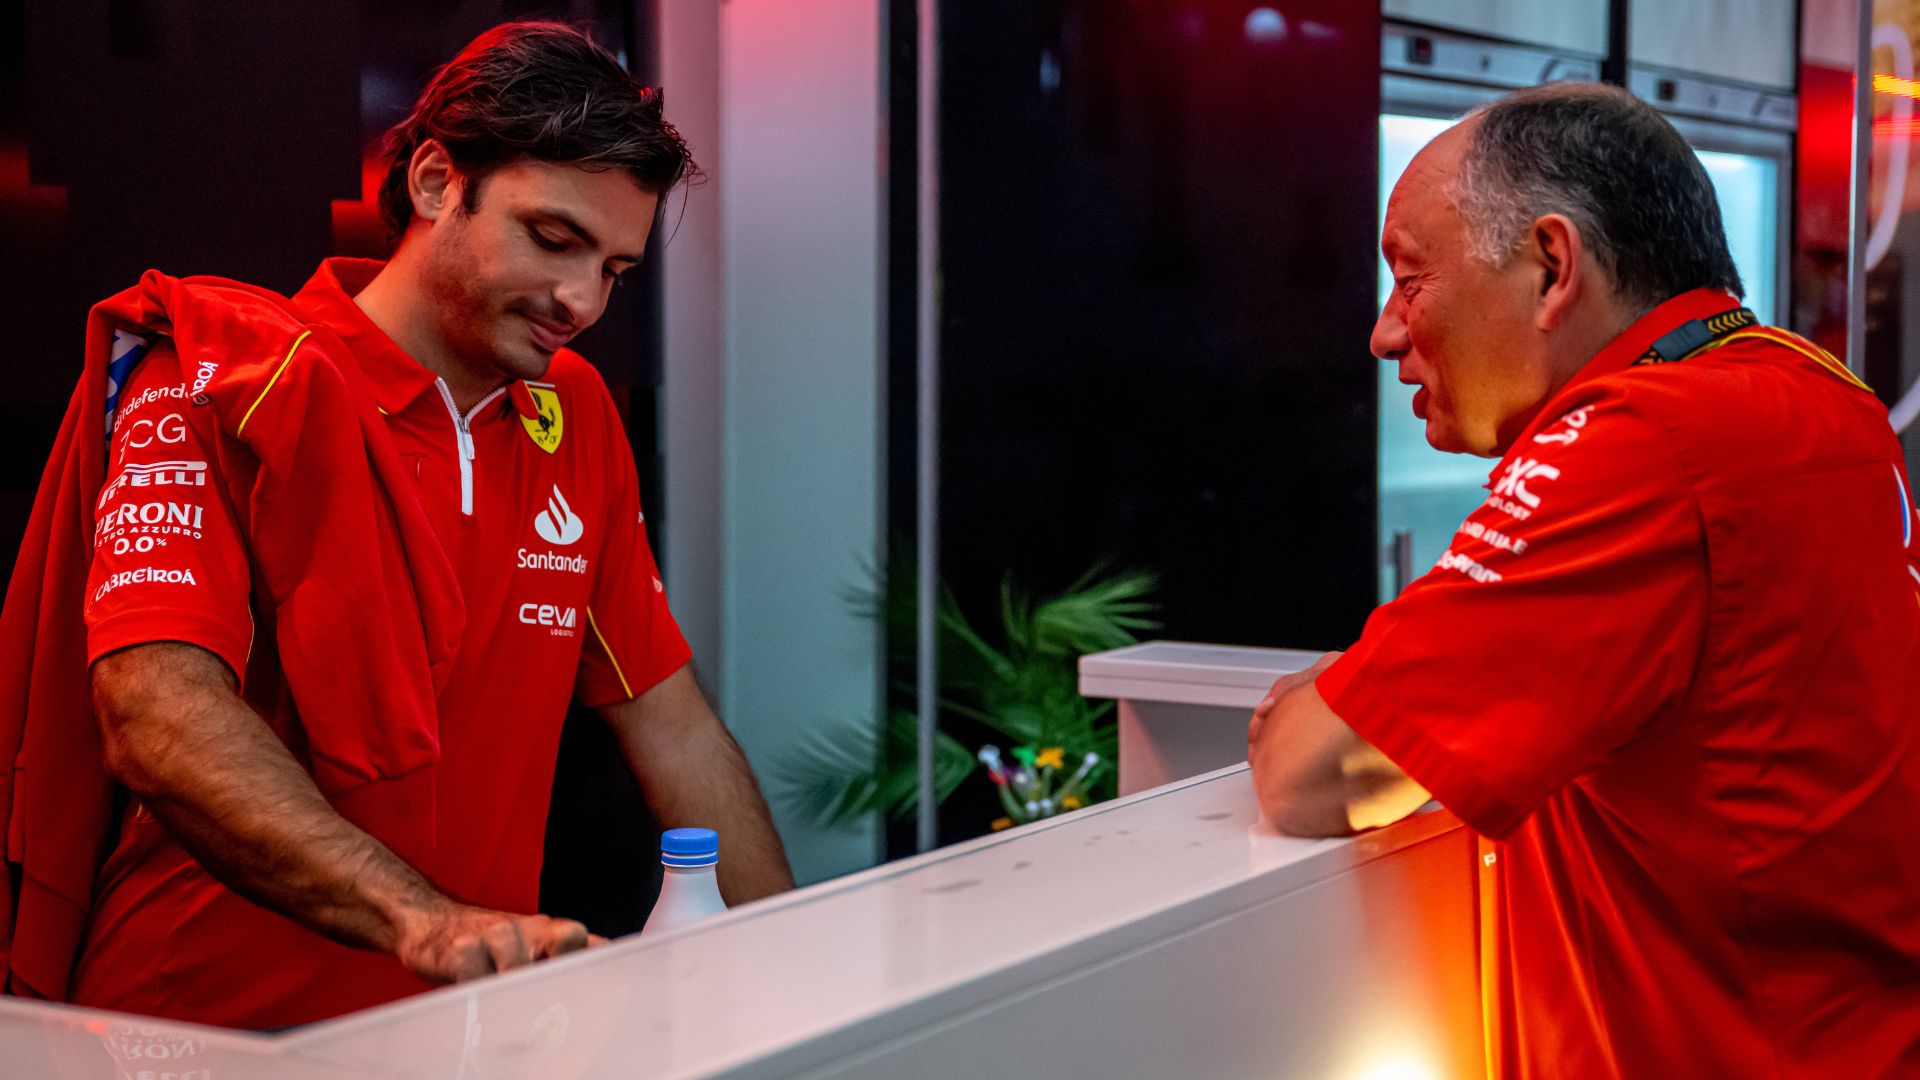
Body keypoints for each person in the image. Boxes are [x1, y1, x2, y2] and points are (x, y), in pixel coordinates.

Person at [0, 21, 792, 1029]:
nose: (582, 300)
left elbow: (671, 725)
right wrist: (424, 920)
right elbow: (155, 714)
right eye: (553, 240)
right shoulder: (216, 376)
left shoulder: (577, 413)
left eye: (615, 269)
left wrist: (801, 975)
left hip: (450, 1029)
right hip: (195, 1026)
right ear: (433, 183)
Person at [1247, 83, 1920, 1076]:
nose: (1385, 332)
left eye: (1411, 278)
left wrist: (1326, 701)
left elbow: (1316, 771)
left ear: (1552, 267)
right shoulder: (1818, 393)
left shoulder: (1648, 438)